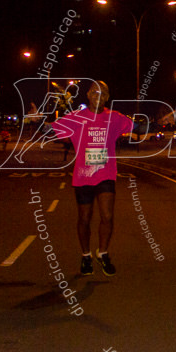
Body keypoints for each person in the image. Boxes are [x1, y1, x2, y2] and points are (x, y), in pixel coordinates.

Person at [48, 81, 146, 276]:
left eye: (102, 92)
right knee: (84, 218)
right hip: (83, 177)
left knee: (107, 216)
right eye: (94, 91)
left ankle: (103, 253)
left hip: (106, 175)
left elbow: (139, 128)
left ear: (108, 97)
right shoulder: (76, 118)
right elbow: (51, 130)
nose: (98, 95)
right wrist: (37, 121)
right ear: (88, 95)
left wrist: (156, 122)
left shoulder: (115, 118)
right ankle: (86, 256)